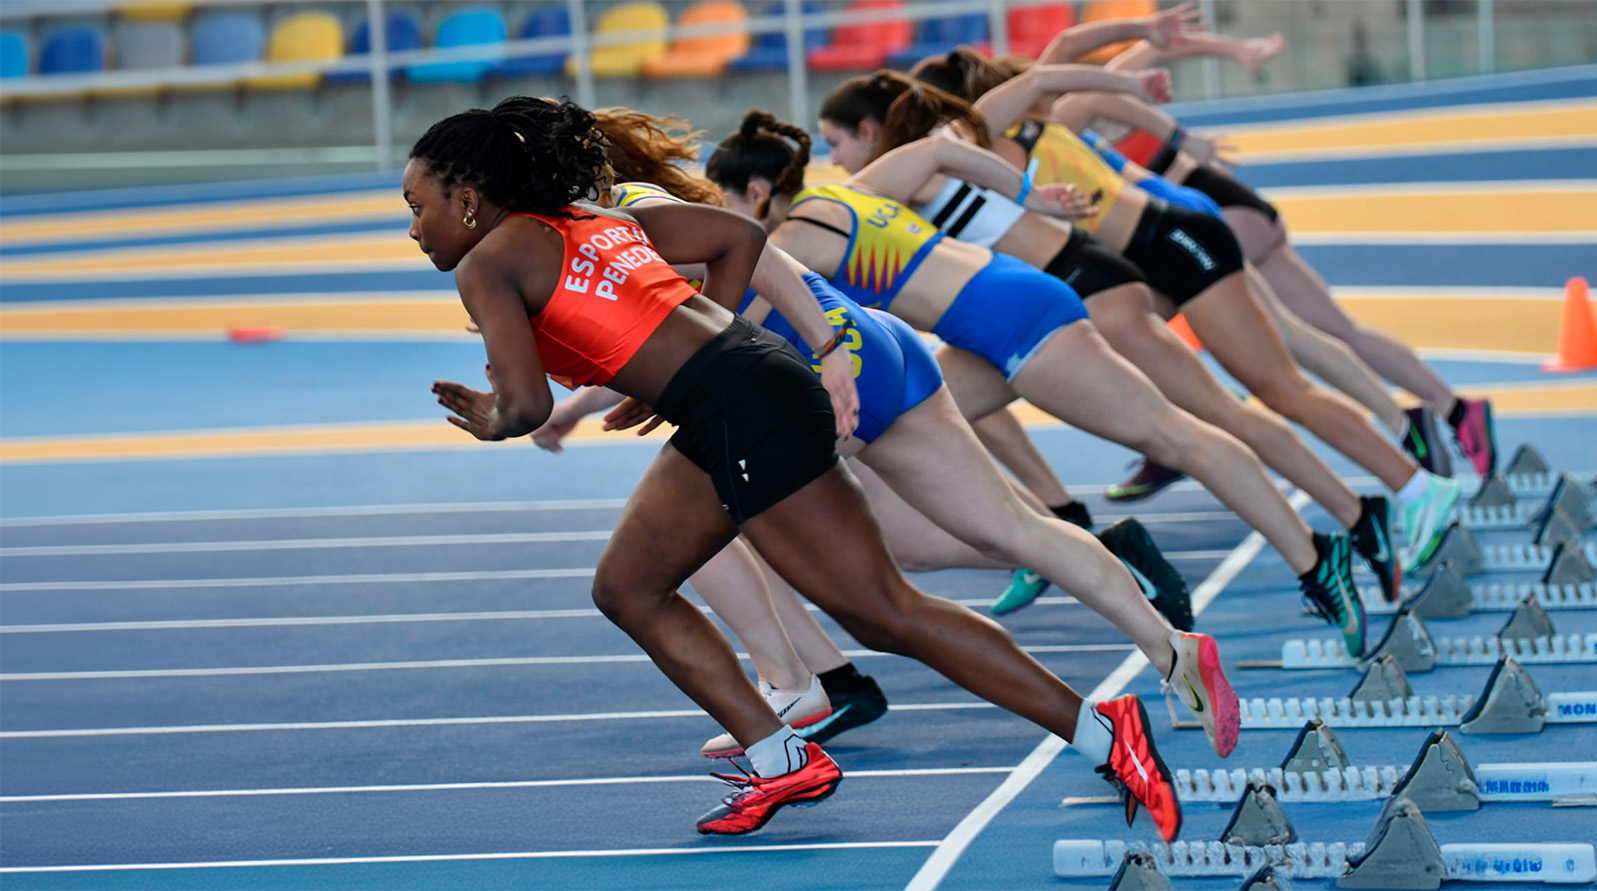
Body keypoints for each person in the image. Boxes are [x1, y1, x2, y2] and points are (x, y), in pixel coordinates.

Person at [408, 96, 1182, 841]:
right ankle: (782, 758)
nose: (414, 229)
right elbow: (741, 241)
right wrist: (703, 344)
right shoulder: (595, 215)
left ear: (469, 199)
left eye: (418, 206)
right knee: (628, 586)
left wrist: (489, 415)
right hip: (752, 381)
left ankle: (1102, 731)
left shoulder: (488, 264)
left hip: (742, 405)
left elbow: (526, 407)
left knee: (884, 612)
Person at [536, 113, 1241, 760]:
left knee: (692, 533)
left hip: (816, 361)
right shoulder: (654, 214)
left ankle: (795, 681)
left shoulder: (620, 217)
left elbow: (751, 269)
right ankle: (1171, 645)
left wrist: (818, 351)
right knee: (995, 531)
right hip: (878, 341)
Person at [707, 109, 1370, 658]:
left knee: (1178, 435)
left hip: (1016, 321)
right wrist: (1027, 194)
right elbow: (944, 153)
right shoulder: (851, 189)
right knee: (891, 437)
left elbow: (727, 319)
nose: (724, 227)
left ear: (756, 195)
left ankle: (1315, 556)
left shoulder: (792, 242)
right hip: (992, 318)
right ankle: (1069, 543)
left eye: (723, 208)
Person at [816, 70, 1407, 609]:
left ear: (870, 130)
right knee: (917, 421)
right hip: (1048, 293)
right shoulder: (913, 165)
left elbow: (1047, 72)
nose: (835, 160)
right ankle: (1040, 534)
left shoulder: (915, 159)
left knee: (1209, 422)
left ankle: (1352, 520)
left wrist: (1135, 110)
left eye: (836, 144)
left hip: (1085, 283)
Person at [1043, 18, 1499, 479]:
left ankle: (1194, 421)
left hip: (1204, 213)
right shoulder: (1069, 110)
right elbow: (1158, 49)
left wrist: (1180, 135)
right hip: (1207, 211)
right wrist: (1237, 52)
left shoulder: (1062, 107)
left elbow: (1125, 57)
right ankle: (1452, 411)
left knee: (1244, 340)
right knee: (1324, 331)